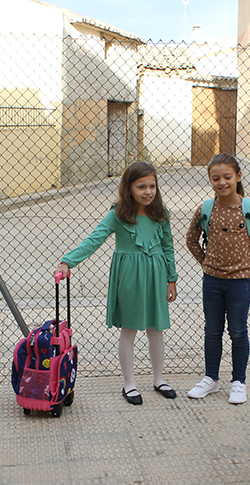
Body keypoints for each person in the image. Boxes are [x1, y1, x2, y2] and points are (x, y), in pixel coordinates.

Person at [55, 161, 178, 406]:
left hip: (156, 275)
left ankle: (158, 378)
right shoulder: (118, 215)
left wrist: (171, 278)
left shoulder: (160, 213)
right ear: (128, 188)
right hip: (130, 278)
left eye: (152, 185)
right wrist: (68, 261)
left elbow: (168, 247)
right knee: (129, 330)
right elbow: (94, 239)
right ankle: (129, 383)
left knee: (156, 329)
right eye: (141, 186)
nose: (148, 191)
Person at [184, 154, 250, 404]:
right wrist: (206, 262)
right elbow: (191, 240)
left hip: (241, 283)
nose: (221, 182)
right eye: (216, 178)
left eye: (227, 177)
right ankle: (211, 379)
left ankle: (239, 381)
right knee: (212, 331)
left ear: (238, 177)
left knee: (238, 330)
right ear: (210, 180)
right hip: (212, 281)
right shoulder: (206, 209)